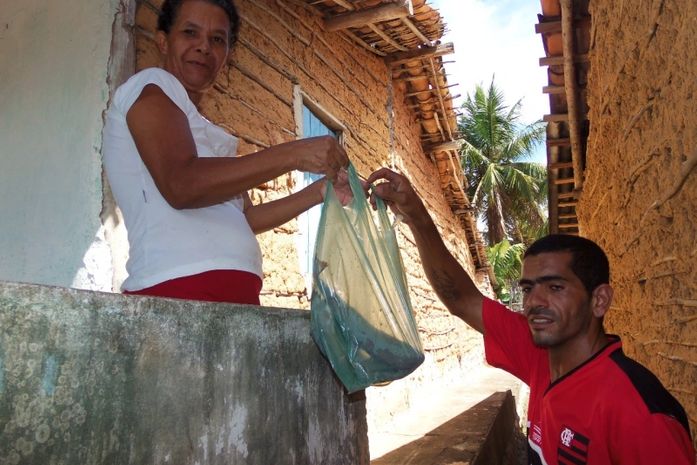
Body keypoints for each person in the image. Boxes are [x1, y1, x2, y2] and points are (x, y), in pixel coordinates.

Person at [367, 167, 695, 465]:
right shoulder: (540, 357)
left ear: (599, 300)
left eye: (555, 287)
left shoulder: (639, 413)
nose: (534, 301)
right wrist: (417, 217)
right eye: (527, 289)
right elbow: (461, 299)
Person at [102, 0, 350, 304]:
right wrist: (293, 154)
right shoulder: (151, 86)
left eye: (217, 39)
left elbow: (247, 217)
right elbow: (181, 185)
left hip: (229, 297)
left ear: (227, 56)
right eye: (190, 32)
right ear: (163, 41)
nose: (204, 47)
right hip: (176, 293)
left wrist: (320, 191)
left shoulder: (199, 128)